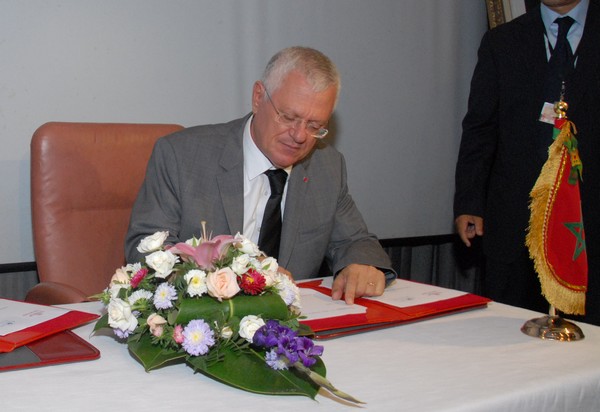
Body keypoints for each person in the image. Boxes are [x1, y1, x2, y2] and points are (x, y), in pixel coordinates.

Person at [125, 46, 396, 304]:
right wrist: (241, 273)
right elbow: (145, 249)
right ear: (258, 97)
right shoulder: (182, 156)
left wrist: (360, 265)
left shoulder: (327, 167)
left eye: (315, 126)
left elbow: (356, 241)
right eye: (288, 117)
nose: (300, 136)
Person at [454, 0, 600, 325]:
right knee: (508, 336)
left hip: (587, 231)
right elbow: (480, 128)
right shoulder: (502, 41)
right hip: (513, 227)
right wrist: (469, 201)